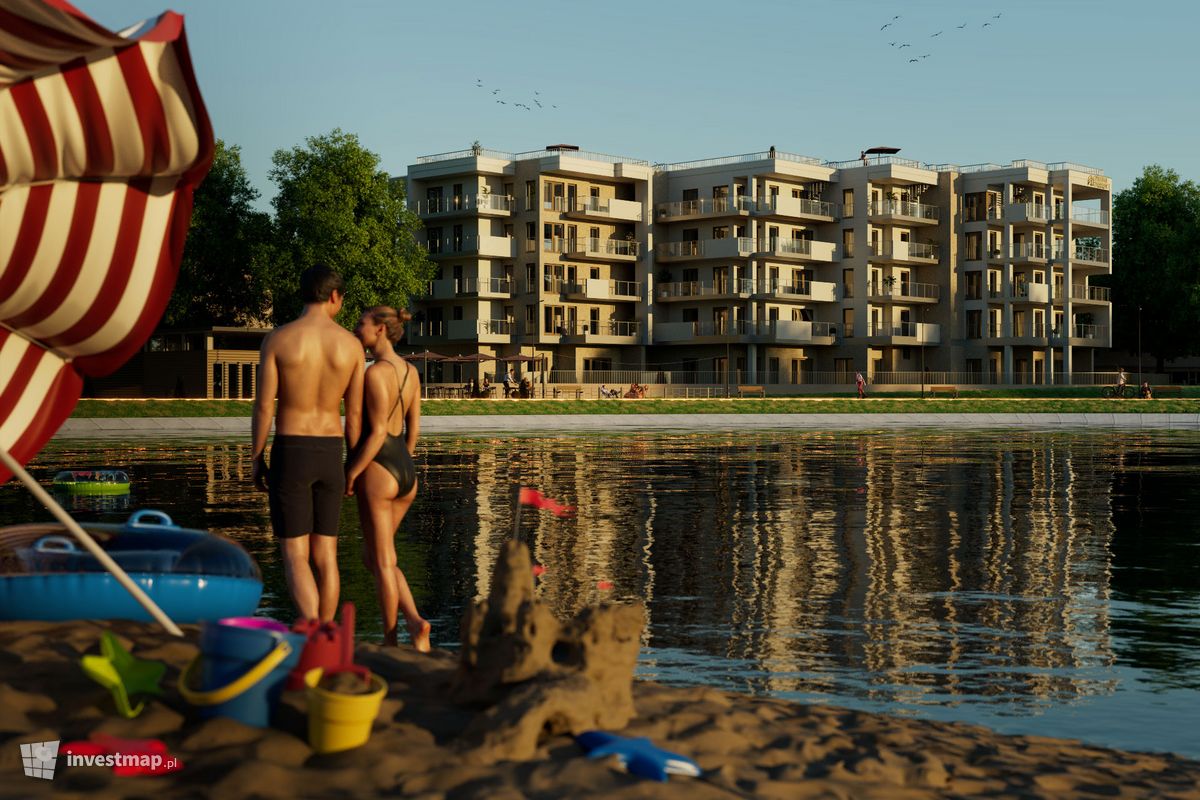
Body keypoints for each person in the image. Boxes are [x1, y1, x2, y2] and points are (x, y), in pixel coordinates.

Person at [252, 265, 363, 623]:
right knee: (326, 555)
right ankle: (328, 633)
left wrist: (257, 457)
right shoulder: (351, 346)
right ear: (334, 296)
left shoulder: (278, 339)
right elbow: (356, 417)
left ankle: (311, 632)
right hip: (331, 452)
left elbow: (264, 405)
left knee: (295, 555)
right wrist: (353, 468)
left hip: (292, 450)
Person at [344, 306, 431, 651]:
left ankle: (391, 641)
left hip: (379, 465)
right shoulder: (411, 371)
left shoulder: (375, 373)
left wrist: (352, 470)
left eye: (361, 322)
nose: (356, 326)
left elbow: (377, 431)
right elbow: (414, 430)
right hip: (405, 470)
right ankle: (415, 622)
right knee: (377, 556)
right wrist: (404, 464)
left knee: (381, 561)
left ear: (380, 329)